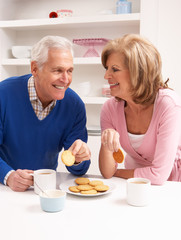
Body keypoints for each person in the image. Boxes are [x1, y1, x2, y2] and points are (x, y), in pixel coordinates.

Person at [0, 35, 91, 191]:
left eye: (69, 71)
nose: (65, 79)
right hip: (6, 187)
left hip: (46, 189)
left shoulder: (75, 105)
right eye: (58, 70)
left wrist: (78, 159)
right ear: (35, 68)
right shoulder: (3, 94)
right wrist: (8, 176)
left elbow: (79, 170)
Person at [99, 34, 181, 185]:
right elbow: (106, 171)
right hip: (132, 183)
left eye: (115, 69)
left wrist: (117, 173)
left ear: (138, 72)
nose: (106, 75)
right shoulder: (109, 108)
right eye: (107, 68)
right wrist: (106, 143)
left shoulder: (168, 104)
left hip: (172, 184)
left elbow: (158, 175)